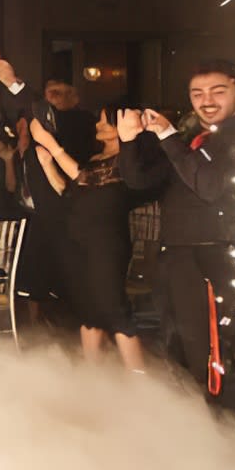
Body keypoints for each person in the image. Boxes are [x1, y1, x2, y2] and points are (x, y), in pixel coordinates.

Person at [117, 59, 235, 417]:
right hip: (176, 256)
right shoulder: (192, 137)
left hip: (215, 257)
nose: (206, 100)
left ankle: (230, 430)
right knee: (177, 346)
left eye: (217, 91)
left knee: (211, 352)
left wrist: (168, 138)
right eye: (198, 93)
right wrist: (129, 142)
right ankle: (195, 431)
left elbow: (210, 186)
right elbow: (139, 182)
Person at [32, 108, 151, 371]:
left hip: (106, 242)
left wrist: (52, 144)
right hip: (78, 240)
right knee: (88, 310)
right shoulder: (97, 158)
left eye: (105, 119)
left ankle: (140, 380)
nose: (98, 123)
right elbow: (69, 190)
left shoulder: (128, 161)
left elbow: (81, 176)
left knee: (113, 306)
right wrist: (47, 164)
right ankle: (93, 377)